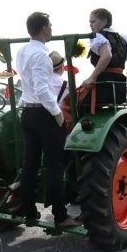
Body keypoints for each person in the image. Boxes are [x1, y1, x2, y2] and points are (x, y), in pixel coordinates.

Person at [15, 12, 81, 230]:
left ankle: (30, 213)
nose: (51, 29)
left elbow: (29, 84)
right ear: (43, 28)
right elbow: (42, 89)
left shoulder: (22, 51)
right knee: (55, 165)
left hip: (27, 112)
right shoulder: (42, 56)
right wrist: (57, 113)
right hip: (44, 113)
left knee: (30, 164)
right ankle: (61, 217)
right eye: (50, 25)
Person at [81, 8, 127, 105]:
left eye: (93, 21)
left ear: (104, 22)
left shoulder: (98, 37)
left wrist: (92, 77)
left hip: (103, 88)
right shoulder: (123, 39)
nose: (90, 25)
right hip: (119, 89)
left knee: (70, 102)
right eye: (90, 22)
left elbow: (107, 56)